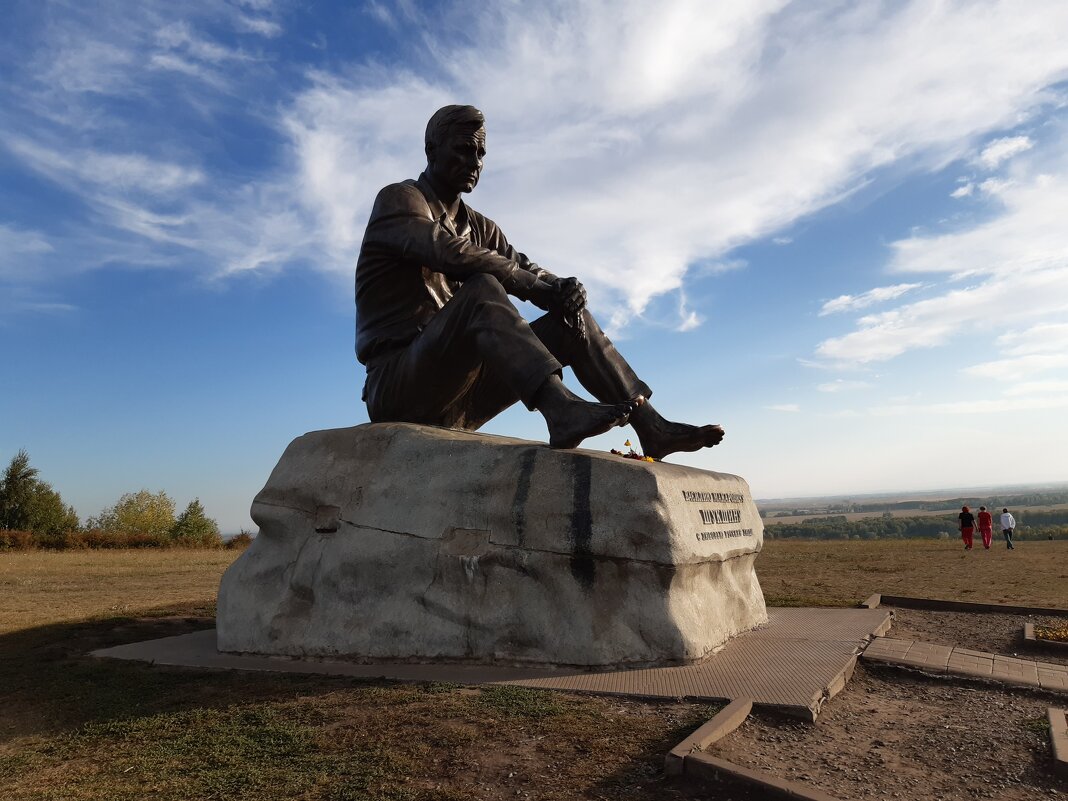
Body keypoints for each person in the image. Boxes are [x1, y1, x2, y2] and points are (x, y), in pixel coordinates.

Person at [354, 105, 725, 457]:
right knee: (482, 288)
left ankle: (651, 427)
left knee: (569, 318)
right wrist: (539, 289)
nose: (475, 163)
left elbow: (523, 266)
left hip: (460, 396)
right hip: (399, 386)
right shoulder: (400, 200)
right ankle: (560, 409)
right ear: (431, 150)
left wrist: (562, 288)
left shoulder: (481, 226)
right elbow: (448, 252)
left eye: (481, 153)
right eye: (464, 150)